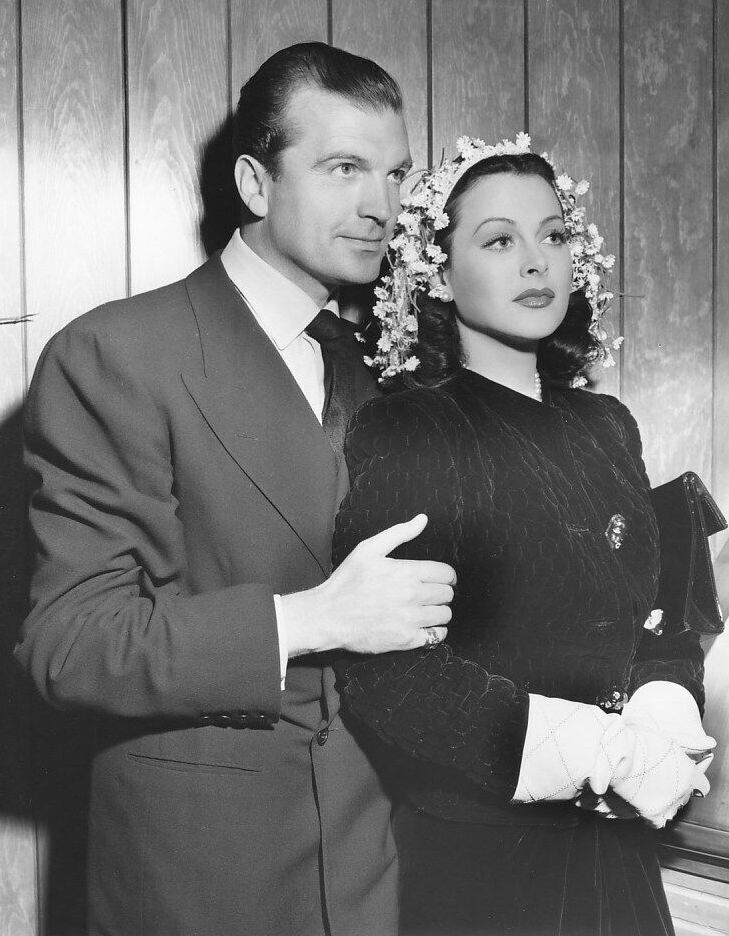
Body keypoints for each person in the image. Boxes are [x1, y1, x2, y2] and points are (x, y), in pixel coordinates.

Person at [16, 43, 456, 936]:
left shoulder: (399, 369)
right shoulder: (116, 354)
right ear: (255, 184)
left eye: (395, 174)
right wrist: (310, 620)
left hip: (384, 871)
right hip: (203, 879)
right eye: (343, 169)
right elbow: (70, 644)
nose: (380, 206)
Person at [332, 134, 715, 936]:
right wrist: (582, 750)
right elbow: (389, 676)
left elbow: (660, 612)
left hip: (619, 850)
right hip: (484, 863)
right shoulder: (413, 426)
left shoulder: (604, 424)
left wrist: (664, 707)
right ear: (439, 275)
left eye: (552, 234)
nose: (536, 262)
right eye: (499, 241)